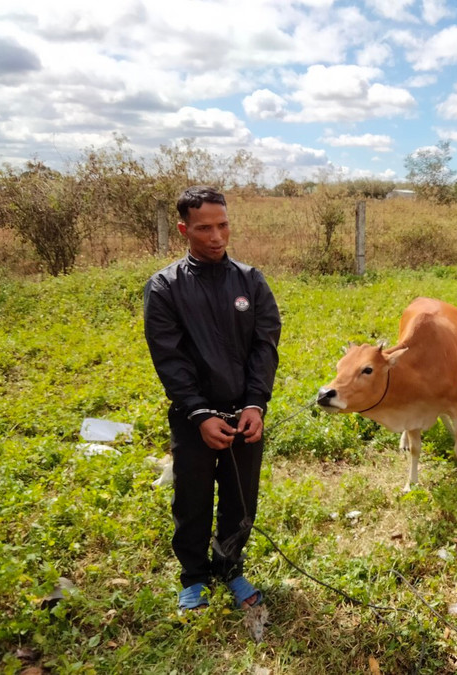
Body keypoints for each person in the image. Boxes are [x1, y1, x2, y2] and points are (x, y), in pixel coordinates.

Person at [143, 186, 281, 612]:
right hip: (194, 418)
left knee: (242, 498)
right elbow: (169, 357)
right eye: (204, 228)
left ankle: (230, 567)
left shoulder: (250, 280)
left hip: (244, 416)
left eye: (222, 225)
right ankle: (194, 576)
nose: (217, 236)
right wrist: (199, 413)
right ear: (184, 229)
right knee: (193, 497)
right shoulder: (166, 287)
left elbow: (265, 343)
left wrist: (256, 403)